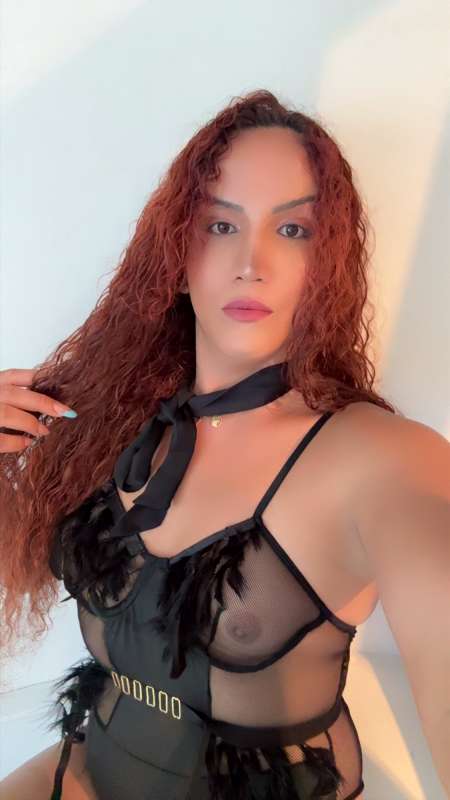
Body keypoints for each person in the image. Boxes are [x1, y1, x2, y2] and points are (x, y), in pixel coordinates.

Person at [0, 89, 449, 800]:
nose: (251, 262)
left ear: (328, 265)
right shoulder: (109, 419)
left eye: (293, 229)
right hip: (93, 767)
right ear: (175, 256)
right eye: (219, 224)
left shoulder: (385, 461)